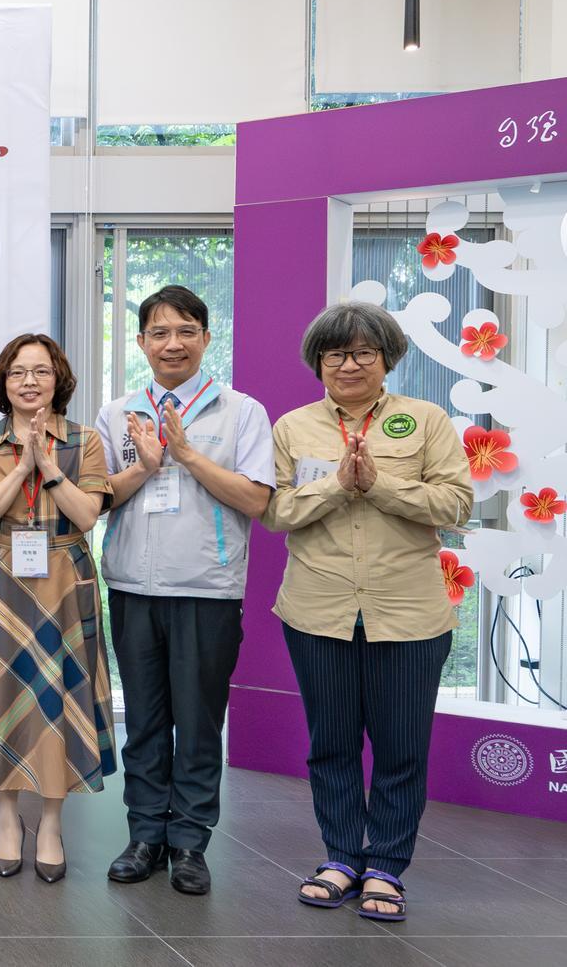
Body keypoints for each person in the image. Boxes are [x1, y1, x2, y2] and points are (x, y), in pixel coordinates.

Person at [265, 301, 471, 924]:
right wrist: (336, 486)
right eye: (335, 354)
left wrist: (378, 483)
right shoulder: (294, 427)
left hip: (407, 611)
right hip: (317, 607)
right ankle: (340, 857)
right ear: (317, 362)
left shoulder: (427, 420)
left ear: (387, 360)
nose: (348, 365)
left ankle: (386, 865)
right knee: (330, 743)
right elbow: (275, 511)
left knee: (401, 746)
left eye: (363, 354)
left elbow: (456, 503)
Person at [96, 286, 274, 896]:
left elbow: (256, 499)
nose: (172, 343)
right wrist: (144, 466)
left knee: (198, 722)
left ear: (206, 337)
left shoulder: (242, 411)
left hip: (207, 588)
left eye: (186, 331)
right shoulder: (118, 413)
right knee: (143, 720)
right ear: (142, 342)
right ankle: (144, 834)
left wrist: (187, 455)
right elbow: (98, 501)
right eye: (159, 333)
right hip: (132, 585)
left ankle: (190, 841)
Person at [0, 334, 115, 882]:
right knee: (0, 695)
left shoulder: (84, 440)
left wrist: (48, 466)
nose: (29, 381)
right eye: (18, 372)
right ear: (3, 383)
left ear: (58, 380)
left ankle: (50, 822)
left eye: (41, 371)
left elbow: (87, 516)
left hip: (62, 582)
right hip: (0, 579)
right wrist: (21, 468)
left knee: (57, 699)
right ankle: (7, 820)